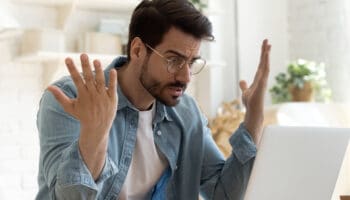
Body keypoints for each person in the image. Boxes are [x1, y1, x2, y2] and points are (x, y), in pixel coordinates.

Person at [36, 0, 271, 199]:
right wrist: (95, 135)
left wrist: (254, 118)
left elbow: (223, 193)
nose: (185, 76)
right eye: (174, 60)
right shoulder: (72, 98)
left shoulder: (187, 113)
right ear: (138, 50)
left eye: (191, 62)